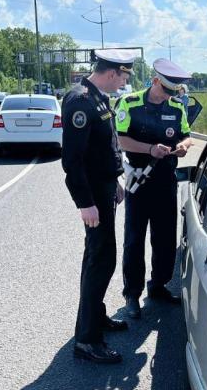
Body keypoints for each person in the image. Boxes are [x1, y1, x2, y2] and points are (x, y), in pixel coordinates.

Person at [61, 48, 134, 364]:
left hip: (104, 189)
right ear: (112, 72)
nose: (124, 82)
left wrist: (114, 180)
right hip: (93, 197)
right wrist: (86, 203)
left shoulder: (100, 97)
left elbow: (105, 146)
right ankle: (87, 341)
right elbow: (72, 160)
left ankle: (95, 317)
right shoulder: (81, 101)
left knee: (98, 259)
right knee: (101, 261)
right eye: (124, 76)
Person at [114, 58, 193, 319]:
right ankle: (132, 294)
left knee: (165, 239)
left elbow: (186, 134)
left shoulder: (177, 107)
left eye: (174, 92)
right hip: (139, 180)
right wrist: (149, 149)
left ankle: (158, 286)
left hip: (165, 181)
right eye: (167, 90)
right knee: (135, 241)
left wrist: (184, 145)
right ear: (156, 80)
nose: (170, 96)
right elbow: (120, 139)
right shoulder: (130, 103)